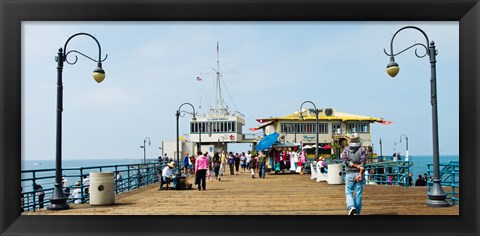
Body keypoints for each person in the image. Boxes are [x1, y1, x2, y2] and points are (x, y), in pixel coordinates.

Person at [341, 133, 366, 215]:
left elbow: (345, 161)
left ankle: (351, 207)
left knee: (349, 192)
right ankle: (357, 213)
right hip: (359, 174)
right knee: (358, 194)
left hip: (349, 173)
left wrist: (354, 165)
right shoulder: (362, 149)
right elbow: (363, 162)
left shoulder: (346, 149)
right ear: (358, 139)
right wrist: (360, 173)